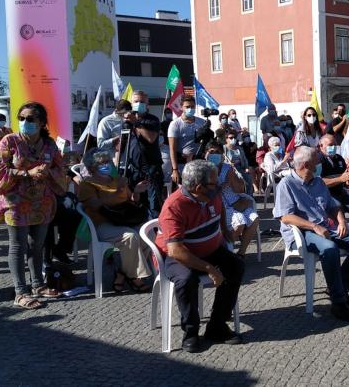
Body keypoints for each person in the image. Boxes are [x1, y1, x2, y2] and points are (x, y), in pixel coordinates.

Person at [273, 146, 349, 321]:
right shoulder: (286, 185)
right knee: (329, 248)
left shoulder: (318, 182)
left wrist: (341, 220)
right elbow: (286, 216)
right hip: (302, 233)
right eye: (316, 161)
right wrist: (314, 227)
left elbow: (333, 205)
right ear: (305, 165)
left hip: (326, 228)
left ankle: (340, 286)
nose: (319, 164)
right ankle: (338, 302)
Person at [157, 159, 245, 352]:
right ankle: (191, 332)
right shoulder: (174, 206)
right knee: (186, 280)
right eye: (214, 183)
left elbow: (220, 207)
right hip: (179, 255)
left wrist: (224, 229)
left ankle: (217, 326)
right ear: (198, 187)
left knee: (236, 266)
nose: (218, 186)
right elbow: (176, 250)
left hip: (209, 249)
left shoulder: (211, 194)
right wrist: (209, 269)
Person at [0, 102, 67, 309]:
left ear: (42, 122)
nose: (25, 122)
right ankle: (20, 292)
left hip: (42, 203)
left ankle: (38, 285)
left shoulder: (49, 145)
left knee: (37, 245)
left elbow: (61, 170)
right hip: (15, 202)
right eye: (22, 118)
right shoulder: (10, 141)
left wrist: (49, 172)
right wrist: (26, 173)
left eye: (31, 119)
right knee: (18, 246)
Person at [78, 149, 152, 293]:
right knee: (130, 236)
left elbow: (132, 200)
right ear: (92, 167)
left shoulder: (117, 179)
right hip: (102, 224)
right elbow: (95, 205)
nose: (107, 165)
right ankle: (135, 277)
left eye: (108, 161)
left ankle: (122, 273)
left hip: (124, 220)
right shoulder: (87, 185)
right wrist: (117, 191)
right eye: (102, 163)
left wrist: (136, 191)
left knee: (147, 234)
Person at [205, 143, 259, 257]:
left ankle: (241, 253)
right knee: (240, 222)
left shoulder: (227, 167)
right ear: (206, 154)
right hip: (219, 205)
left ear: (222, 154)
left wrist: (233, 178)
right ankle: (225, 252)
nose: (214, 155)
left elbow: (239, 189)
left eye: (217, 152)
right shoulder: (203, 169)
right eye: (211, 152)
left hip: (234, 201)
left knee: (254, 218)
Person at [318, 134, 349, 235]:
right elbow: (319, 182)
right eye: (330, 145)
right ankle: (343, 237)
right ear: (321, 146)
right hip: (326, 196)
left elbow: (344, 178)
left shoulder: (338, 158)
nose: (333, 147)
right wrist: (340, 179)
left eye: (335, 145)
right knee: (339, 209)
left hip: (340, 193)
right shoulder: (318, 159)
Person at [124, 115, 165, 214]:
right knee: (136, 204)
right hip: (135, 172)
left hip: (151, 172)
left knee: (154, 206)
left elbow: (151, 138)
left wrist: (136, 124)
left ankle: (154, 222)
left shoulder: (151, 119)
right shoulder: (132, 124)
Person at [168, 95, 208, 185]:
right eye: (187, 107)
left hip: (199, 163)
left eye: (192, 106)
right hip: (183, 165)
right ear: (181, 107)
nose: (190, 109)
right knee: (186, 190)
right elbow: (172, 149)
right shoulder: (175, 124)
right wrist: (175, 169)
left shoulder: (202, 122)